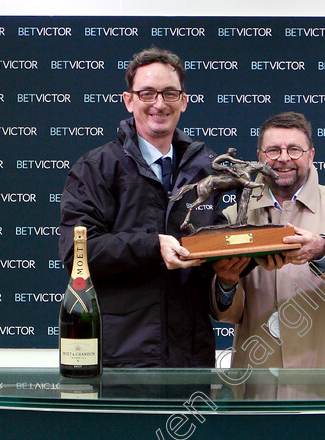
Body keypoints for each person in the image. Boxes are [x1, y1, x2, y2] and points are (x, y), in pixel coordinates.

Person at [59, 48, 224, 367]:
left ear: (184, 101)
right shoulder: (96, 168)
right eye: (147, 93)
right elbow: (77, 253)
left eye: (169, 93)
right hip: (121, 360)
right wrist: (152, 246)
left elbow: (212, 258)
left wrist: (230, 273)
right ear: (129, 100)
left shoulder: (208, 169)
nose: (159, 104)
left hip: (190, 361)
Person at [210, 111, 325, 368]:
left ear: (311, 155)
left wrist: (323, 250)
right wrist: (227, 283)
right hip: (257, 383)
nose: (284, 158)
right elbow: (226, 314)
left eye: (295, 150)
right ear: (259, 158)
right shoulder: (233, 217)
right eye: (273, 150)